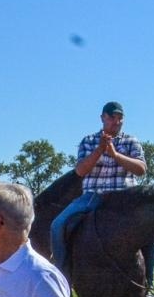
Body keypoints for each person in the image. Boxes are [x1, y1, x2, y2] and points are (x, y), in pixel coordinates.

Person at [48, 102, 146, 280]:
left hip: (124, 197)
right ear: (102, 118)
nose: (116, 121)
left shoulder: (131, 141)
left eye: (119, 118)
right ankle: (63, 277)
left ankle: (148, 283)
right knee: (57, 225)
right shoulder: (88, 141)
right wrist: (100, 149)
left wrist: (116, 155)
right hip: (92, 195)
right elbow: (80, 171)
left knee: (150, 231)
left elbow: (141, 169)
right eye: (111, 117)